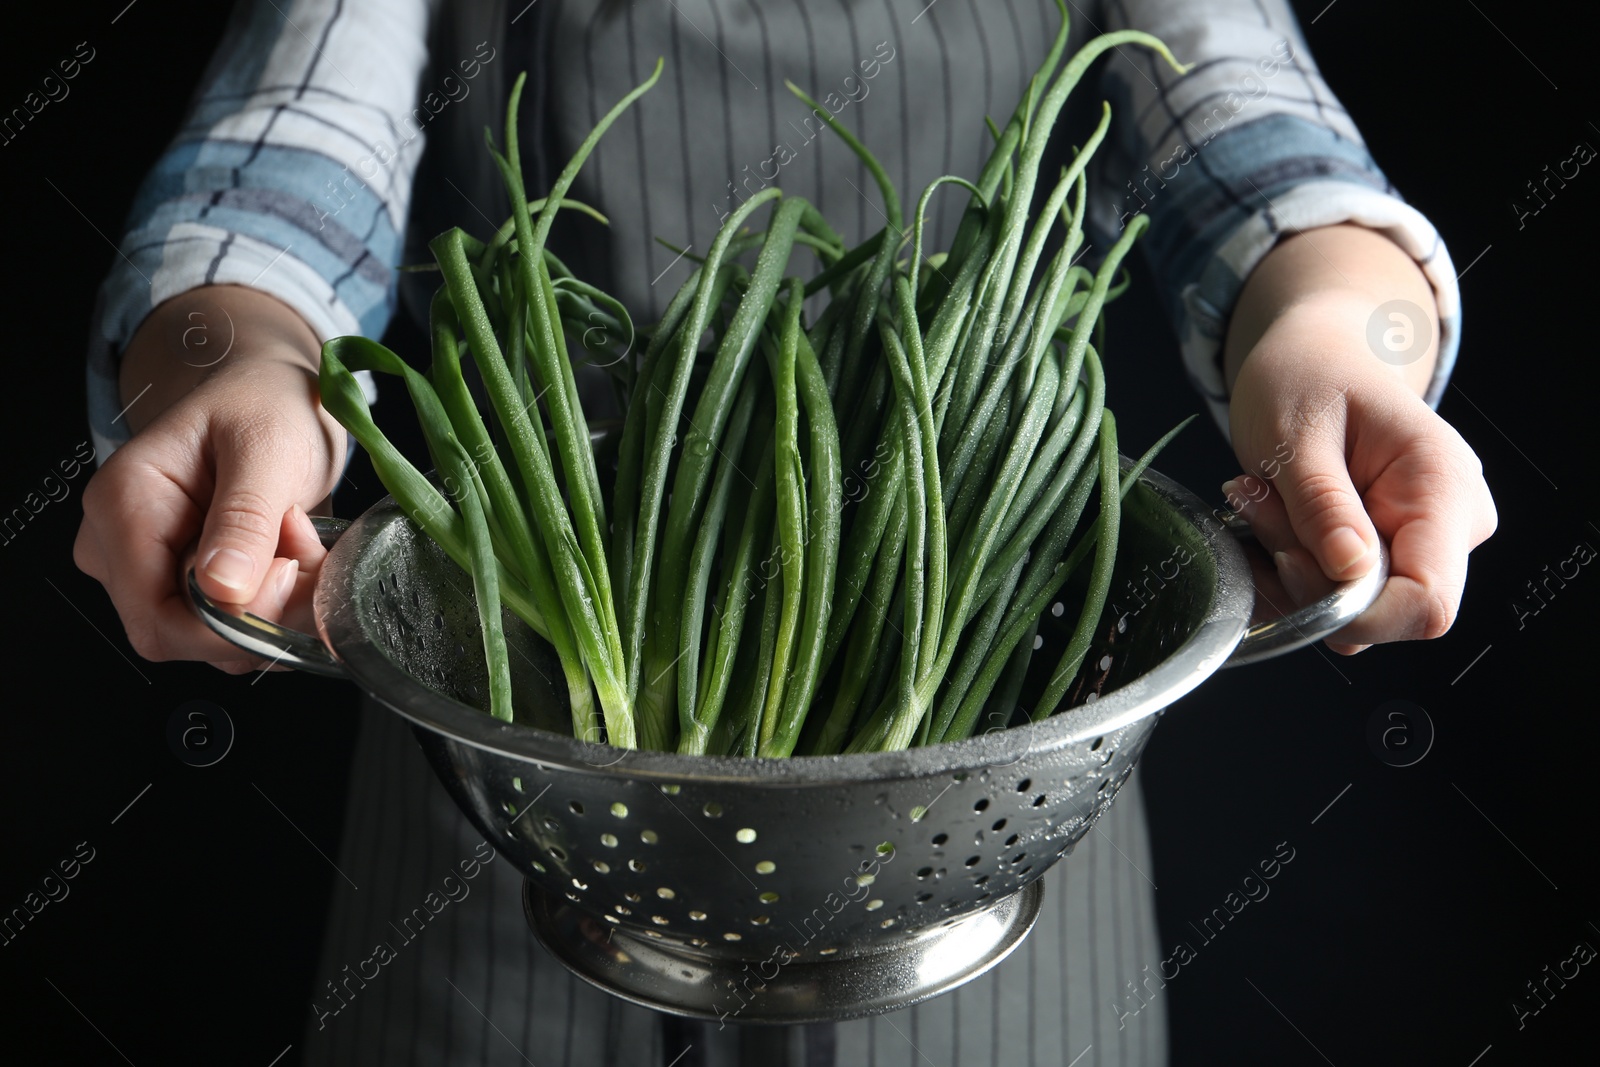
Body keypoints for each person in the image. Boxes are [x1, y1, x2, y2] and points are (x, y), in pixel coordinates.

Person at [72, 1, 1497, 1063]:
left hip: (981, 792)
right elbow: (288, 159)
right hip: (521, 751)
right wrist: (228, 372)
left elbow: (1254, 137)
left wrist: (1339, 342)